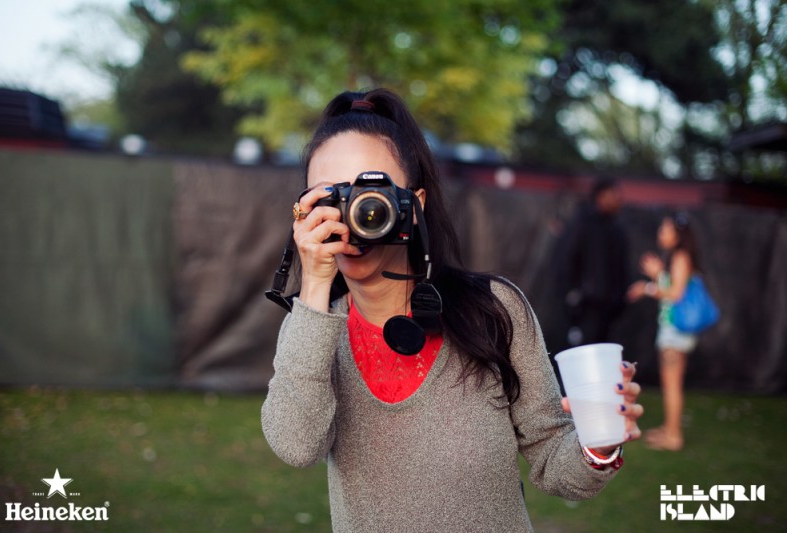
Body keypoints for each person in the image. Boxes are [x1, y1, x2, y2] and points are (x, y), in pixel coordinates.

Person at [261, 88, 643, 532]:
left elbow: (551, 455)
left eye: (371, 194)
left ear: (415, 205)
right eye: (330, 199)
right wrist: (314, 285)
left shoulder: (495, 311)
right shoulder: (310, 331)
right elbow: (297, 446)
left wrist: (598, 444)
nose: (354, 215)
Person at [627, 213, 699, 451]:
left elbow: (675, 294)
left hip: (675, 333)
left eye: (665, 229)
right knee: (670, 383)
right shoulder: (677, 257)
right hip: (673, 331)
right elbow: (672, 288)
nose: (661, 233)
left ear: (677, 235)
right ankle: (669, 429)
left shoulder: (680, 257)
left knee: (672, 384)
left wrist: (647, 287)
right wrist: (658, 274)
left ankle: (674, 436)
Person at [554, 177, 631, 348]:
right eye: (614, 195)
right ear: (601, 196)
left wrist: (620, 299)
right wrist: (573, 293)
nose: (619, 200)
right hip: (585, 306)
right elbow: (566, 259)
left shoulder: (616, 229)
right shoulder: (582, 224)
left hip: (609, 309)